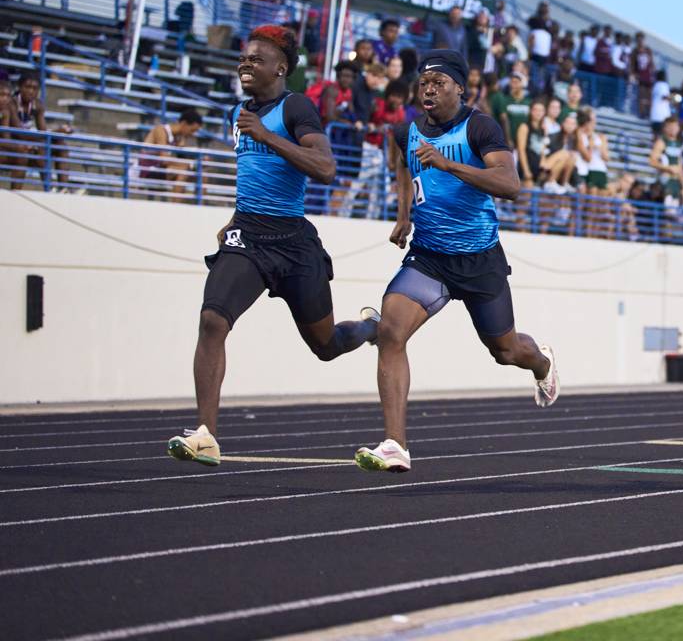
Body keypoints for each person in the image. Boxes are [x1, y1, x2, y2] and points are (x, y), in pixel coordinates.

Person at [167, 26, 381, 467]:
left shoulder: (295, 106)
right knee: (212, 321)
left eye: (255, 59)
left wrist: (267, 135)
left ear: (280, 68)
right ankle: (206, 433)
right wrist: (231, 221)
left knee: (325, 346)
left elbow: (325, 167)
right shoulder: (239, 112)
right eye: (243, 59)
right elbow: (253, 176)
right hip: (248, 235)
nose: (245, 65)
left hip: (293, 243)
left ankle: (367, 328)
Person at [357, 50, 559, 473]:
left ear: (459, 88)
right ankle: (395, 444)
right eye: (423, 83)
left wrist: (448, 164)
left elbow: (510, 184)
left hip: (479, 258)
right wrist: (403, 215)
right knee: (391, 332)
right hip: (429, 256)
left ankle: (540, 360)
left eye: (439, 83)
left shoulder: (480, 126)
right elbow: (402, 165)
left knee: (504, 351)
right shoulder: (405, 131)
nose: (428, 90)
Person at [137, 108, 204, 194]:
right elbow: (164, 160)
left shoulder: (179, 137)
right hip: (146, 170)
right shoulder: (161, 130)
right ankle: (176, 206)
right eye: (192, 130)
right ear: (183, 123)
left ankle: (197, 205)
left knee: (201, 175)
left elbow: (178, 160)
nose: (192, 134)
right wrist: (190, 164)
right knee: (183, 171)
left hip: (161, 170)